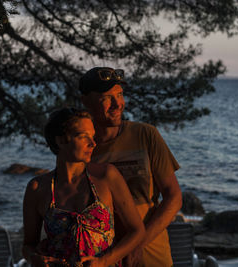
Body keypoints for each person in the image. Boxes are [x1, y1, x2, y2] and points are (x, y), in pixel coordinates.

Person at [79, 67, 182, 267]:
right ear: (86, 102)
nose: (117, 104)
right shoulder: (82, 148)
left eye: (120, 95)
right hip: (102, 260)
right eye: (107, 98)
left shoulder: (146, 135)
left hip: (153, 259)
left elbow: (174, 197)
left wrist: (136, 245)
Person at [22, 107, 145, 267]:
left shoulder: (106, 176)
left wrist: (103, 261)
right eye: (83, 137)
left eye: (93, 136)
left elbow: (137, 231)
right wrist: (34, 258)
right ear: (61, 141)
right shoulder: (37, 188)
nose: (93, 143)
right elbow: (28, 245)